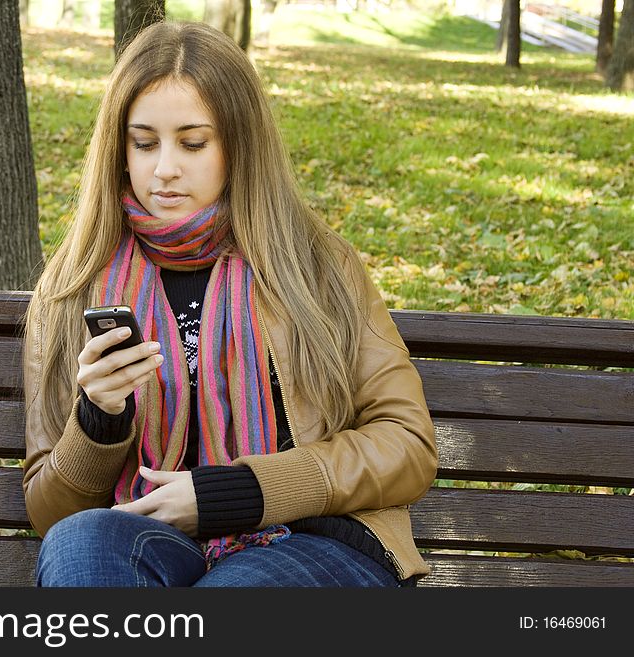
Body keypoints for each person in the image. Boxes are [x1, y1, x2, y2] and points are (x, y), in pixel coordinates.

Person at [22, 21, 437, 587]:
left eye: (192, 143)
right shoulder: (76, 283)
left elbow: (406, 444)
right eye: (144, 143)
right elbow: (51, 513)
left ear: (238, 146)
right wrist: (98, 418)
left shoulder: (316, 266)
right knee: (81, 545)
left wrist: (241, 491)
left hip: (311, 539)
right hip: (156, 540)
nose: (164, 168)